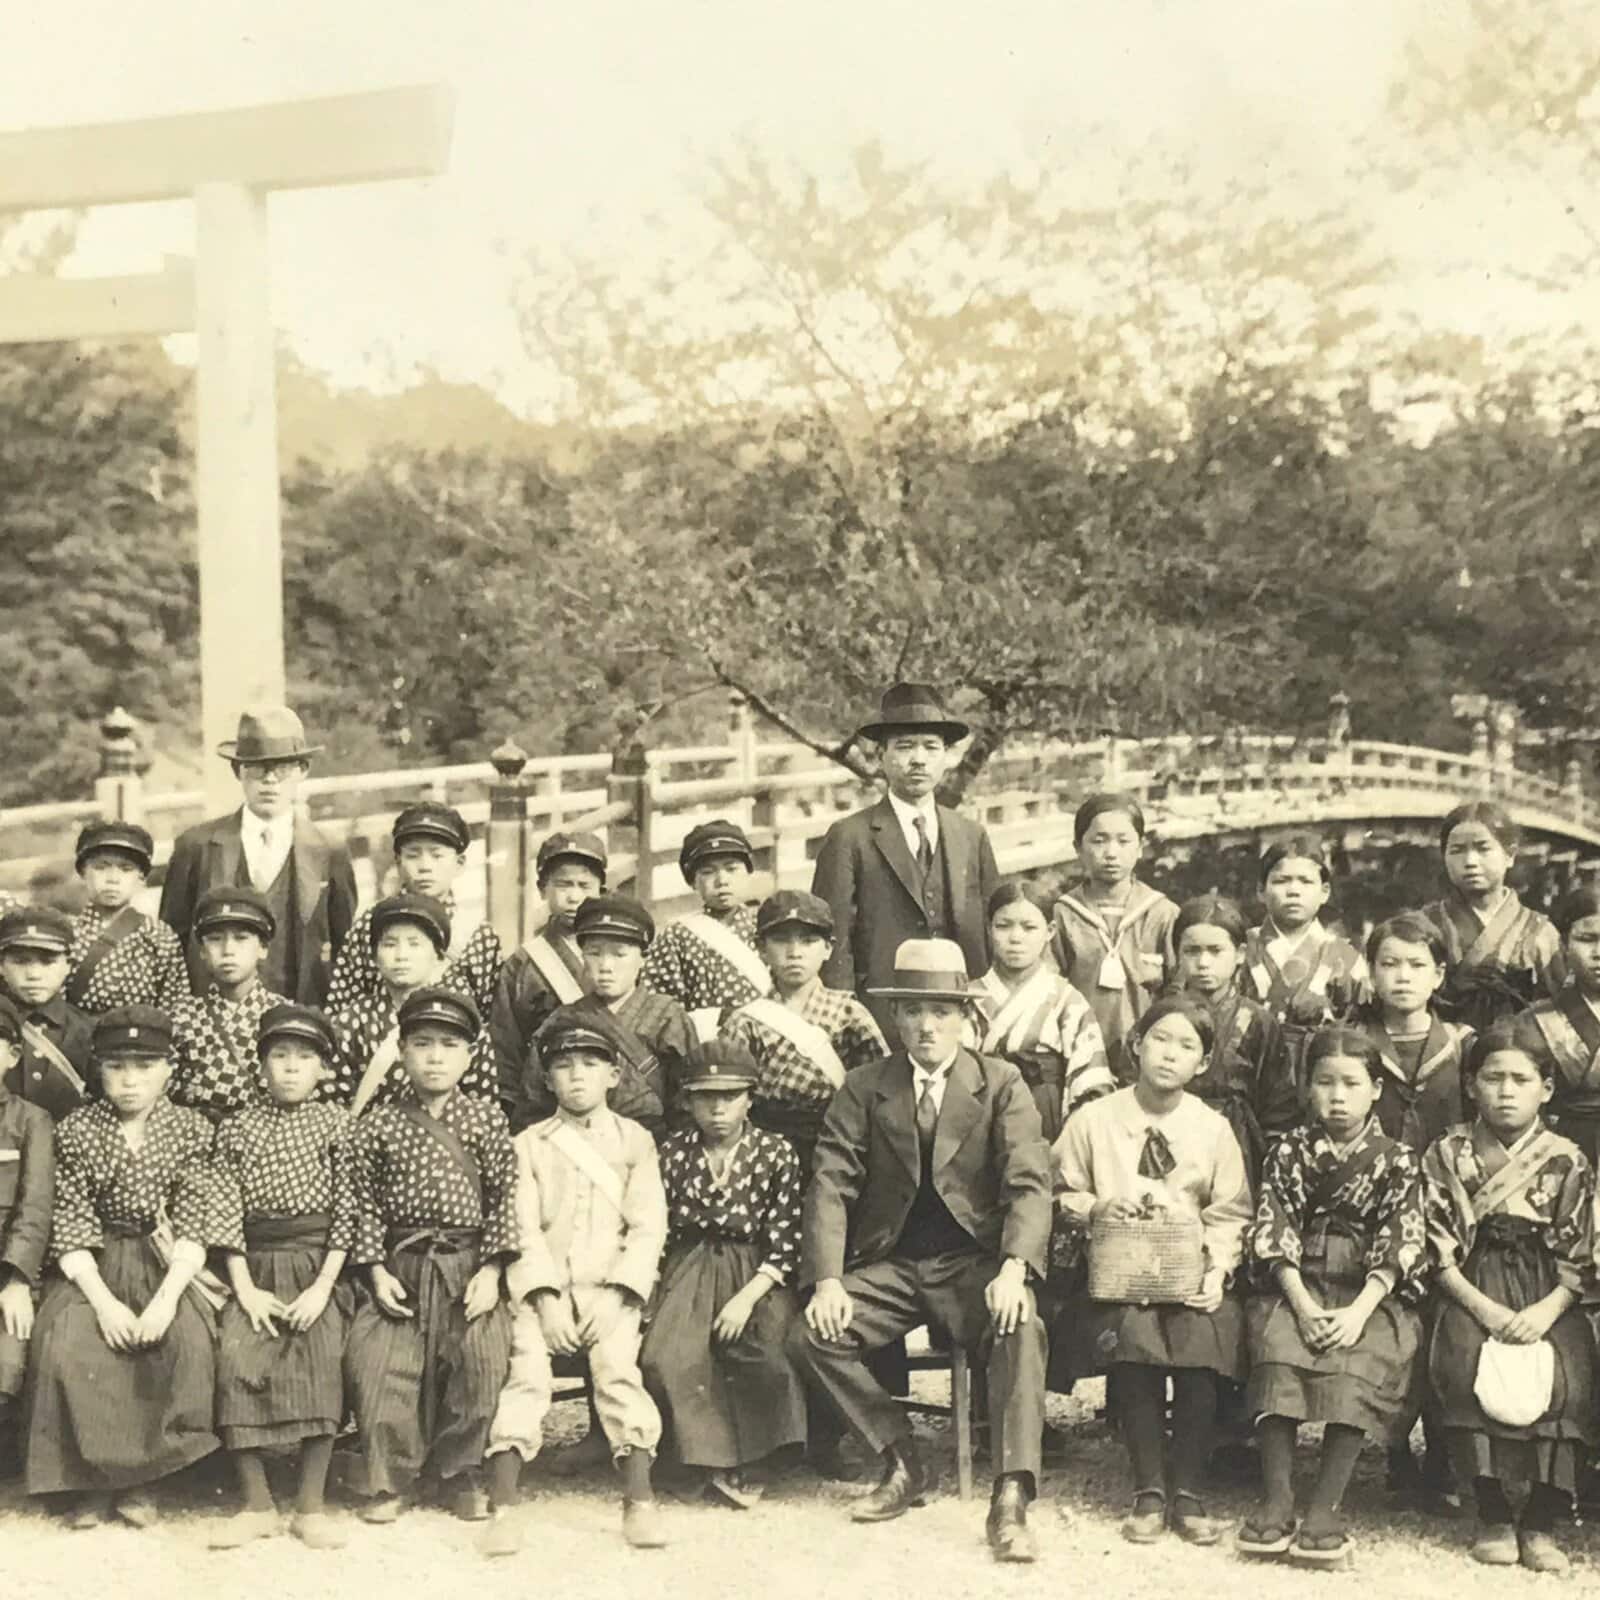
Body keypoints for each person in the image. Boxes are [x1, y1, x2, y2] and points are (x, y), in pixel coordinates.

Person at [788, 938, 1050, 1564]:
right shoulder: (864, 1087)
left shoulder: (1001, 1084)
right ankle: (902, 1459)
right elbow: (830, 1184)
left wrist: (1014, 1268)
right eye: (912, 1011)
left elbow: (1030, 1184)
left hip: (974, 1266)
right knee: (812, 1334)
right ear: (895, 1018)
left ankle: (1011, 1496)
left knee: (1022, 1325)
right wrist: (827, 1279)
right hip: (894, 1265)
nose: (927, 1026)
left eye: (941, 1011)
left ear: (966, 1017)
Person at [1052, 995, 1252, 1547]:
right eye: (1159, 1038)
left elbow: (1230, 1211)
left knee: (1201, 1337)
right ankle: (1148, 1488)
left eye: (1187, 1046)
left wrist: (1216, 1270)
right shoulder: (1094, 1120)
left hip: (1187, 1272)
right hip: (1115, 1273)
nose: (1170, 1054)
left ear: (1203, 1063)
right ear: (1136, 1044)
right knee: (1136, 1338)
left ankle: (1186, 1488)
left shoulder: (1212, 1129)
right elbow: (1057, 1188)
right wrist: (1095, 1207)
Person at [1238, 1025, 1428, 1569]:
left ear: (1375, 1090)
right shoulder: (1288, 1152)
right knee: (1279, 1354)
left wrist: (1357, 1313)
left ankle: (1325, 1507)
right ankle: (1276, 1499)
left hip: (1368, 1289)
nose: (1337, 1097)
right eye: (1324, 1083)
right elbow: (1273, 1227)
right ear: (1308, 1088)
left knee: (1358, 1364)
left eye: (1351, 1083)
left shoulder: (1398, 1159)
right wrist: (1301, 1303)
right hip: (1298, 1280)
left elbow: (1403, 1238)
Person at [481, 1013, 670, 1556]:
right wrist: (543, 1299)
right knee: (527, 1374)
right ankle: (505, 1505)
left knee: (617, 1370)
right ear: (546, 1079)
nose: (577, 1076)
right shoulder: (529, 1143)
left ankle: (639, 1499)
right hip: (546, 1295)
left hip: (610, 1291)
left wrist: (618, 1294)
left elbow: (646, 1225)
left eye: (591, 1064)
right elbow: (523, 1227)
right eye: (563, 1066)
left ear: (614, 1075)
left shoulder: (635, 1141)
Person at [25, 1006, 220, 1527]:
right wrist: (106, 1303)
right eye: (116, 1066)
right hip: (95, 1261)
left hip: (166, 1262)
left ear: (169, 1070)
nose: (130, 1079)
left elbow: (196, 1219)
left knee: (184, 1340)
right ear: (98, 1069)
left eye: (144, 1065)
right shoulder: (77, 1130)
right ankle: (92, 1483)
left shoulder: (192, 1129)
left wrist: (164, 1300)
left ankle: (144, 1481)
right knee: (68, 1339)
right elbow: (68, 1219)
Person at [1421, 1024, 1597, 1573]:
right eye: (1492, 1077)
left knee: (1570, 1376)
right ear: (1471, 1084)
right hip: (1472, 1279)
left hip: (1550, 1285)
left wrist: (1547, 1310)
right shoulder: (1447, 1151)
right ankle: (1493, 1512)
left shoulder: (1568, 1159)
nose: (1505, 1090)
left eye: (1521, 1079)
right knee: (1460, 1360)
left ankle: (1542, 1518)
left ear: (1546, 1088)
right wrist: (1485, 1309)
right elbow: (1437, 1250)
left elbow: (1583, 1251)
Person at [342, 987, 517, 1529]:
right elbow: (361, 1202)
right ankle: (389, 1476)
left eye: (448, 1045)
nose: (435, 1057)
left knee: (479, 1359)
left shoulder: (488, 1120)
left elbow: (506, 1196)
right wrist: (373, 1270)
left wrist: (492, 1270)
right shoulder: (377, 1124)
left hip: (468, 1264)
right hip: (401, 1264)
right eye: (422, 1044)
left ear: (468, 1055)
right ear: (402, 1050)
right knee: (378, 1361)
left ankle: (458, 1472)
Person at [208, 1004, 357, 1551]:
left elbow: (350, 1211)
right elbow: (223, 1210)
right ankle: (255, 1502)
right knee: (237, 1356)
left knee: (320, 1355)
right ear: (262, 1065)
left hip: (320, 1265)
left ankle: (310, 1505)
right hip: (254, 1264)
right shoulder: (238, 1127)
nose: (291, 1068)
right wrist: (244, 1289)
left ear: (322, 1067)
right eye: (279, 1056)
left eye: (304, 1057)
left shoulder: (339, 1124)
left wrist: (322, 1288)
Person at [641, 1040, 807, 1509]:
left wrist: (746, 1297)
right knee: (666, 1355)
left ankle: (757, 1459)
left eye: (730, 1096)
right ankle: (701, 1460)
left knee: (763, 1348)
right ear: (688, 1100)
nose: (718, 1108)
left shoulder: (777, 1153)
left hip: (755, 1269)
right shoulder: (672, 1154)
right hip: (689, 1264)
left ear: (750, 1098)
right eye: (705, 1097)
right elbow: (661, 1229)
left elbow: (786, 1237)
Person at [1358, 912, 1472, 1511]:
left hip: (1448, 1205)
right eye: (1389, 963)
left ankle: (1446, 1458)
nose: (1402, 977)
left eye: (1416, 965)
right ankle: (1393, 1451)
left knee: (1443, 1327)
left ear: (1439, 974)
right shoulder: (1354, 1041)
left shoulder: (1462, 1044)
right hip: (1373, 1206)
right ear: (1371, 970)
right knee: (1393, 1327)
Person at [812, 684, 999, 1036]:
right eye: (904, 746)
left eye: (930, 747)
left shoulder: (971, 836)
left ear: (946, 756)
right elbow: (831, 941)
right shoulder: (849, 836)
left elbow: (995, 928)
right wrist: (844, 1022)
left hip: (959, 1014)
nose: (918, 759)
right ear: (881, 755)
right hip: (878, 1019)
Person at [159, 704, 358, 1005]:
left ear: (302, 771)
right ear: (238, 771)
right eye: (257, 769)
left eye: (283, 768)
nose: (270, 781)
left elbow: (346, 949)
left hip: (300, 1018)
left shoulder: (329, 850)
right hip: (214, 1022)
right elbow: (170, 947)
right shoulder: (196, 846)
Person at [718, 889, 887, 1178]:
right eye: (781, 940)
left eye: (808, 941)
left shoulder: (848, 1013)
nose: (794, 953)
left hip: (836, 1145)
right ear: (760, 948)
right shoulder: (745, 1021)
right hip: (761, 1150)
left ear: (828, 948)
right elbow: (728, 1092)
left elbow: (880, 1087)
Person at [523, 895, 694, 1137]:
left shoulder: (668, 1017)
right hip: (575, 1149)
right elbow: (534, 1103)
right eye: (595, 953)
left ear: (643, 958)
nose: (605, 965)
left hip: (653, 1149)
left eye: (619, 954)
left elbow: (689, 1103)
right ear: (582, 956)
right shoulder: (562, 1020)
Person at [325, 802, 503, 1019]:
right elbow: (342, 1009)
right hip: (377, 1047)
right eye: (413, 855)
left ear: (459, 863)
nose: (425, 866)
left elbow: (489, 1018)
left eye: (436, 855)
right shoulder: (370, 925)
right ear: (398, 862)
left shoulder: (479, 936)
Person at [967, 881, 1112, 1144]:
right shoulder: (968, 998)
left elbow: (1090, 1084)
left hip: (1045, 1122)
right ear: (989, 929)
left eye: (1029, 927)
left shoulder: (1067, 1001)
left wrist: (1071, 1143)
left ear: (1050, 931)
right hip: (979, 1118)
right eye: (1003, 926)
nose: (1015, 937)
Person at [328, 893, 497, 1113]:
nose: (401, 955)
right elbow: (332, 1109)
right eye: (390, 944)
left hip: (448, 1143)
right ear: (373, 956)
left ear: (438, 956)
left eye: (414, 944)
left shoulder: (464, 1022)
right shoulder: (350, 1024)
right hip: (368, 1143)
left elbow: (483, 1110)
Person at [1166, 894, 1294, 1183]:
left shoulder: (1258, 1022)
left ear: (1239, 954)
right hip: (1172, 1142)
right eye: (1192, 951)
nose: (1203, 962)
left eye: (1215, 951)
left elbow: (1278, 1106)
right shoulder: (1162, 1019)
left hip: (1240, 1149)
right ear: (1177, 953)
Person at [1050, 793, 1179, 1080]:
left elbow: (1178, 988)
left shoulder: (1161, 913)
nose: (1111, 852)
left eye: (1123, 841)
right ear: (1078, 848)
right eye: (1098, 841)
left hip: (1149, 1056)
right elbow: (1051, 989)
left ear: (1140, 847)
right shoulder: (1065, 914)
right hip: (1081, 1051)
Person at [489, 830, 607, 1122]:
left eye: (584, 885)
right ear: (542, 890)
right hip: (546, 1100)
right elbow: (506, 1045)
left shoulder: (622, 955)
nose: (574, 896)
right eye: (563, 885)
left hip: (614, 1093)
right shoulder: (524, 963)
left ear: (602, 890)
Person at [1422, 801, 1563, 1032]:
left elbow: (1559, 1012)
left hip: (1517, 1055)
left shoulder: (1539, 932)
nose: (1470, 862)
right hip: (1443, 1053)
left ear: (1510, 855)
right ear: (1444, 857)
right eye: (1457, 850)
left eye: (1483, 848)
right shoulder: (1425, 925)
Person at [1241, 837, 1368, 1078]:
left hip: (1321, 1078)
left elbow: (1362, 1028)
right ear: (1260, 890)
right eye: (1281, 881)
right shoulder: (1241, 950)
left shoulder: (1345, 956)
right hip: (1250, 1074)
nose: (1293, 890)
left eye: (1306, 881)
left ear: (1324, 892)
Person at [168, 888, 290, 1123]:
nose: (228, 951)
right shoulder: (181, 1018)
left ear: (263, 948)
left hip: (262, 1139)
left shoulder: (283, 1015)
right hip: (197, 1141)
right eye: (215, 939)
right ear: (202, 951)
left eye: (241, 938)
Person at [644, 820, 770, 1041]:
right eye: (708, 872)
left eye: (732, 869)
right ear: (693, 882)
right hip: (703, 1045)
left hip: (767, 1039)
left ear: (748, 871)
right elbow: (661, 1005)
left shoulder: (767, 926)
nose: (722, 881)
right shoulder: (676, 937)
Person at [0, 1000, 53, 1470]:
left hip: (5, 1271)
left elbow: (34, 1208)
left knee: (7, 1359)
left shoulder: (30, 1121)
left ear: (13, 1055)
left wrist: (17, 1279)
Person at [1509, 885, 1600, 1155]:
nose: (1599, 951)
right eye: (1587, 938)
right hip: (1560, 1154)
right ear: (1563, 945)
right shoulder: (1531, 1024)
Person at [63, 821, 187, 1014]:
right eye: (101, 867)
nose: (113, 878)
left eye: (126, 868)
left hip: (141, 1039)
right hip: (74, 1040)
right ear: (83, 872)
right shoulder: (65, 933)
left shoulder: (159, 936)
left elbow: (173, 1007)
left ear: (141, 877)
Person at [0, 908, 95, 1120]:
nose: (34, 974)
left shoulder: (88, 1031)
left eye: (47, 961)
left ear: (68, 965)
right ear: (1, 965)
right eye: (20, 961)